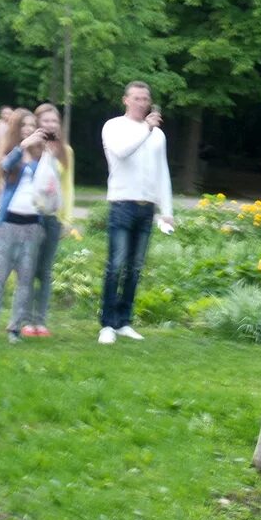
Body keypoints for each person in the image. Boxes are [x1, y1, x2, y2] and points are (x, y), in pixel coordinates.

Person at [98, 81, 174, 344]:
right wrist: (147, 127)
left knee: (135, 268)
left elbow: (162, 171)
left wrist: (167, 210)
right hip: (122, 203)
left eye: (146, 98)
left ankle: (124, 321)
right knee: (116, 265)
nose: (143, 102)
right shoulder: (114, 126)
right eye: (137, 98)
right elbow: (122, 152)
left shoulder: (158, 136)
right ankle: (107, 323)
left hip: (146, 207)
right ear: (126, 100)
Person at [0, 109, 45, 342]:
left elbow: (49, 181)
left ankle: (14, 328)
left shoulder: (41, 156)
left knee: (25, 279)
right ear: (17, 128)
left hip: (32, 225)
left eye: (32, 125)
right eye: (24, 125)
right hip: (8, 223)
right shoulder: (10, 152)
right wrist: (23, 146)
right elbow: (4, 167)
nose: (28, 128)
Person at [21, 103, 75, 337]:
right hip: (29, 216)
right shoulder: (31, 147)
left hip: (52, 217)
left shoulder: (66, 151)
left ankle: (40, 321)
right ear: (38, 124)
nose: (51, 125)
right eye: (46, 121)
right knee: (27, 269)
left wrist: (67, 218)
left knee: (44, 270)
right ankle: (23, 319)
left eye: (54, 121)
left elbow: (67, 186)